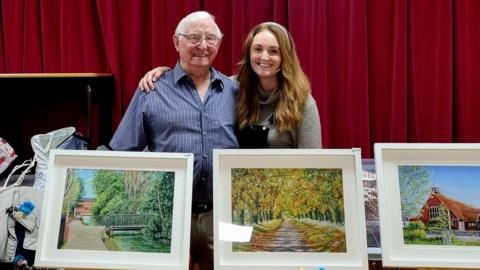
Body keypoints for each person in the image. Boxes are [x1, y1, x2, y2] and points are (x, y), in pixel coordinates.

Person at [109, 11, 238, 270]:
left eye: (210, 38)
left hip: (223, 216)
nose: (203, 45)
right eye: (194, 37)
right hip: (167, 216)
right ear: (176, 42)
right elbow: (122, 151)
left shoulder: (235, 91)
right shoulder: (152, 89)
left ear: (219, 44)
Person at [139, 22, 322, 148]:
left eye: (273, 51)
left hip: (286, 199)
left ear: (285, 58)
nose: (264, 57)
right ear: (249, 53)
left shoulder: (303, 104)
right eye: (258, 49)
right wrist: (165, 73)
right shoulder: (232, 87)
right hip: (235, 197)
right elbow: (200, 79)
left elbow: (314, 168)